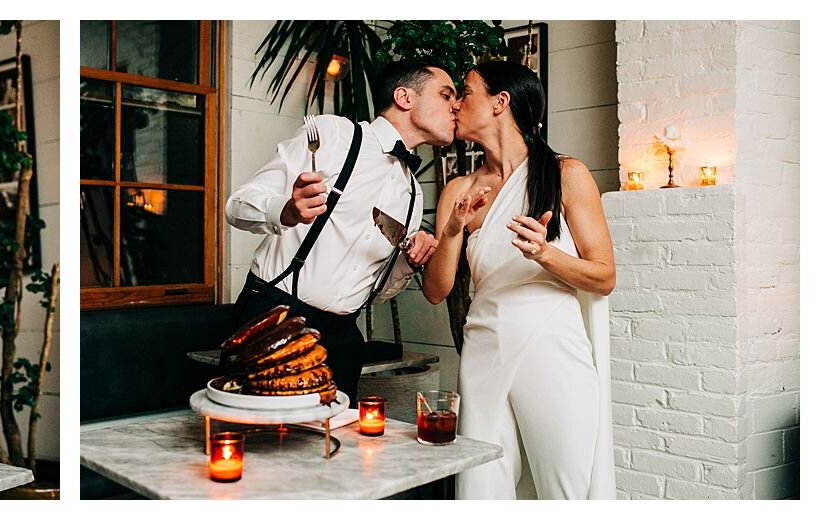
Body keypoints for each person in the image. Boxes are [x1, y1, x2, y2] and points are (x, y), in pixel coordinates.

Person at [422, 61, 616, 499]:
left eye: (465, 93)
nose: (455, 104)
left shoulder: (566, 174)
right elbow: (437, 291)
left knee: (565, 486)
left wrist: (546, 254)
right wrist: (452, 231)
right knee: (481, 486)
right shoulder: (458, 190)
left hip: (552, 348)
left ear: (499, 102)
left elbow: (604, 277)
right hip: (484, 348)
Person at [225, 59, 449, 405]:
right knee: (255, 444)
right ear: (404, 97)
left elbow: (373, 292)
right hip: (274, 319)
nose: (456, 106)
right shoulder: (334, 135)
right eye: (446, 95)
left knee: (332, 452)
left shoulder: (413, 194)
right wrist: (285, 210)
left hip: (343, 339)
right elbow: (238, 205)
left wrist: (408, 263)